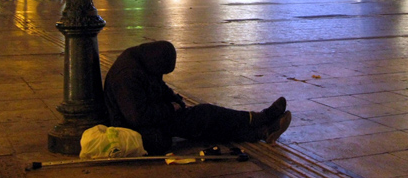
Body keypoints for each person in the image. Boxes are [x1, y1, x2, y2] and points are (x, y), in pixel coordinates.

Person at [104, 41, 291, 156]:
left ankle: (260, 132)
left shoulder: (142, 61)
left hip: (153, 115)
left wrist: (174, 99)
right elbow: (136, 116)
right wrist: (171, 108)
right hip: (137, 128)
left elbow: (159, 87)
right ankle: (259, 119)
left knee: (203, 121)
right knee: (205, 116)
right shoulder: (127, 75)